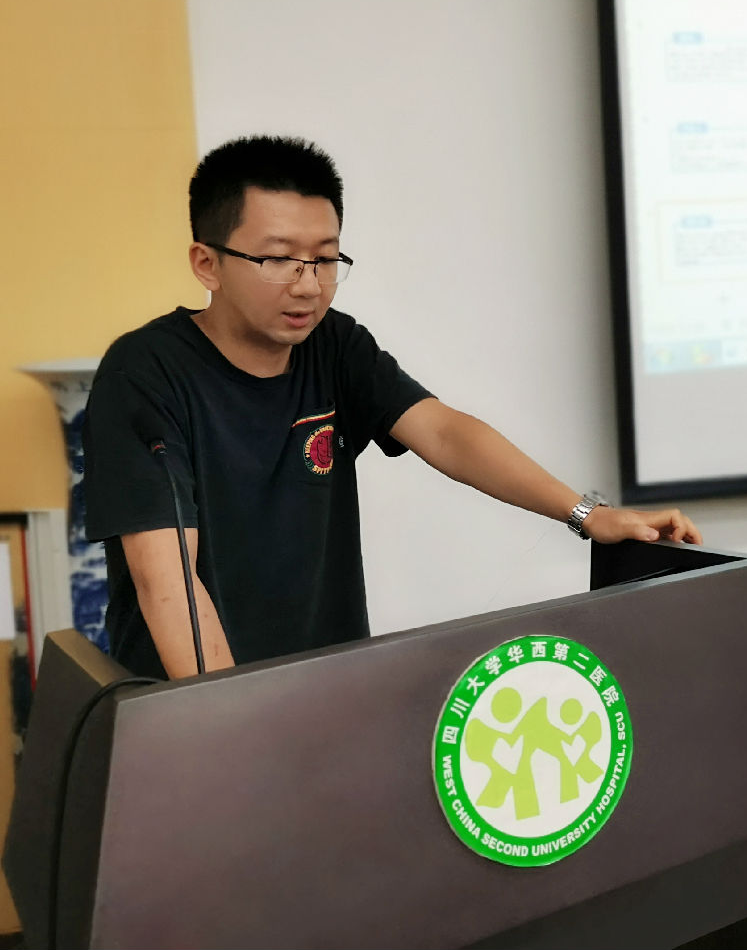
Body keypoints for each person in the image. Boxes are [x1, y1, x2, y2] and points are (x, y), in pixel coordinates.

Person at [83, 135, 701, 680]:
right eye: (277, 259)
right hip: (194, 712)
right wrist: (227, 719)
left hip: (329, 688)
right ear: (207, 263)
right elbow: (167, 580)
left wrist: (587, 514)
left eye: (325, 259)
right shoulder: (145, 374)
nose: (308, 284)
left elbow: (445, 432)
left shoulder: (335, 346)